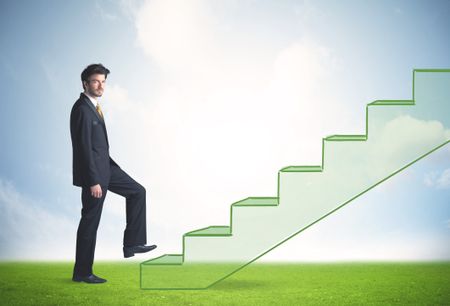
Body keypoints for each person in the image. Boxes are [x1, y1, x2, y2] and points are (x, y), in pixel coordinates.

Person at [70, 64, 156, 284]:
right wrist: (93, 181)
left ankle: (132, 243)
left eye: (103, 81)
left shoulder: (95, 106)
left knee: (137, 192)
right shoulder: (81, 109)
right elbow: (83, 148)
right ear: (85, 84)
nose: (101, 86)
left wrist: (107, 169)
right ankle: (82, 273)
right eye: (96, 81)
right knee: (90, 222)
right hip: (95, 176)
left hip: (107, 168)